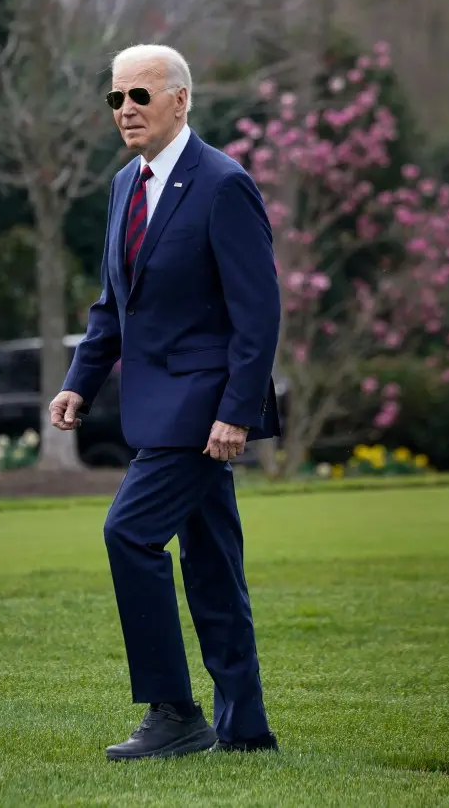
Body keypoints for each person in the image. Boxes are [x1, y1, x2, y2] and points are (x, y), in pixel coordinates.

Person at [49, 43, 282, 761]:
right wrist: (79, 380)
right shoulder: (125, 185)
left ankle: (174, 713)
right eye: (116, 98)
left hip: (203, 410)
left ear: (181, 99)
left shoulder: (223, 183)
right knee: (213, 568)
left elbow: (258, 312)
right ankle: (244, 731)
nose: (125, 110)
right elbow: (112, 304)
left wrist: (237, 410)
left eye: (140, 96)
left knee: (129, 533)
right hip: (159, 408)